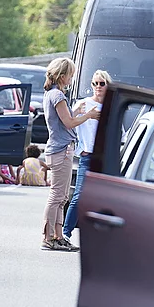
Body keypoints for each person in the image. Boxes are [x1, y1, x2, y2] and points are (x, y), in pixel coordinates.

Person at [40, 57, 100, 251]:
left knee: (62, 196)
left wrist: (76, 111)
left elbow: (64, 119)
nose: (71, 78)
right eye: (71, 75)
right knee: (57, 195)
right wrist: (88, 116)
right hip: (61, 150)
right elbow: (69, 123)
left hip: (61, 149)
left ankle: (58, 236)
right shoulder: (57, 95)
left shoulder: (52, 94)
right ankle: (49, 237)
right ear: (62, 75)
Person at [63, 70, 111, 239]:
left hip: (104, 158)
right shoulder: (83, 104)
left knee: (103, 200)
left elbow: (120, 134)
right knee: (79, 196)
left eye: (102, 83)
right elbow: (68, 122)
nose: (98, 87)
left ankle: (98, 236)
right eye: (95, 83)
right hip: (86, 157)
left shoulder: (111, 107)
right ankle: (66, 232)